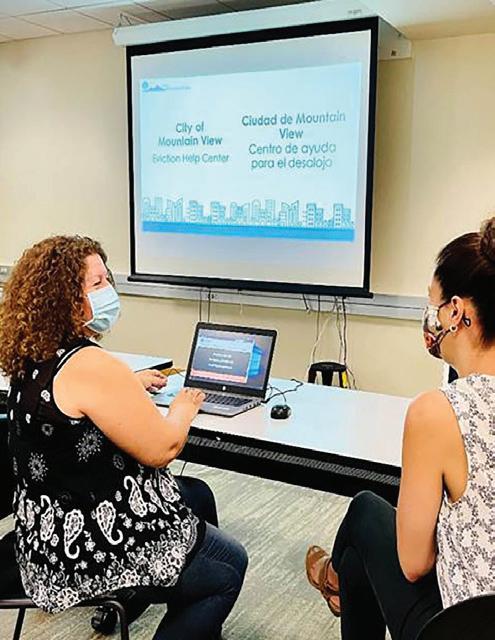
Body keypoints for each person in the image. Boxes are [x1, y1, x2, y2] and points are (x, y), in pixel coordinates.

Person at [0, 235, 247, 640]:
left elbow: (72, 402)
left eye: (107, 280)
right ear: (64, 299)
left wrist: (126, 385)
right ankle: (182, 595)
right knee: (228, 566)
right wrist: (183, 408)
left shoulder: (34, 354)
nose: (108, 292)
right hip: (88, 547)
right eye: (96, 284)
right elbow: (163, 448)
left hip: (43, 533)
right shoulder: (91, 365)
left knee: (197, 495)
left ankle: (186, 605)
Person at [305, 218, 495, 640]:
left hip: (467, 626)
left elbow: (413, 563)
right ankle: (338, 578)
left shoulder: (438, 412)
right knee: (359, 553)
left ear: (456, 312)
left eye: (432, 303)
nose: (429, 316)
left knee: (365, 511)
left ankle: (334, 580)